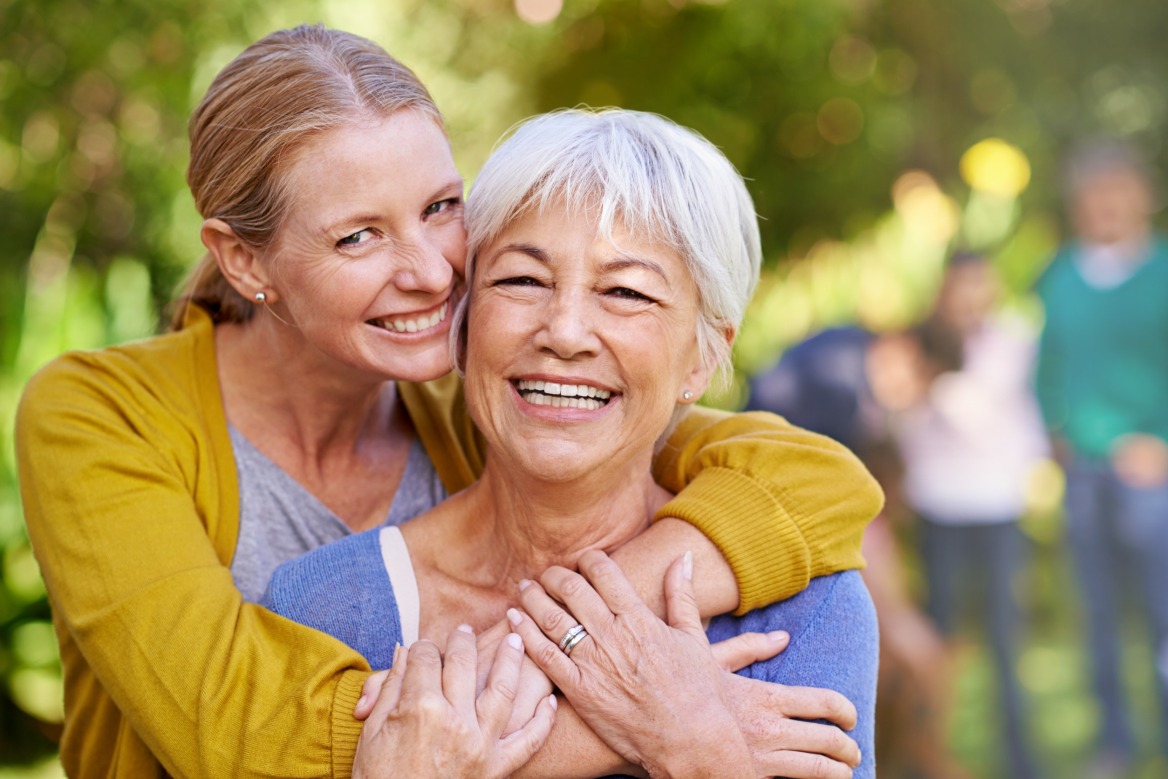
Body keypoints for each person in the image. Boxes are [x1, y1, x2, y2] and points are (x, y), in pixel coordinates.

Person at [14, 25, 882, 779]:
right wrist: (663, 722)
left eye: (440, 209)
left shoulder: (485, 409)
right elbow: (235, 734)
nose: (433, 271)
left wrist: (609, 609)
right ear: (244, 262)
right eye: (358, 234)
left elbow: (812, 481)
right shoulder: (102, 416)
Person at [263, 106, 878, 778]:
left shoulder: (809, 612)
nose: (565, 330)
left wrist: (702, 753)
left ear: (701, 358)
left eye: (626, 291)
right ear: (464, 323)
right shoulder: (320, 605)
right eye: (523, 280)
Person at [1035, 140, 1168, 775]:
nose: (1106, 204)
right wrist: (1055, 428)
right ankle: (1114, 739)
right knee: (1100, 613)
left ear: (1143, 197)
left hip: (1153, 476)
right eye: (1093, 193)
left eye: (1118, 189)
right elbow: (1046, 365)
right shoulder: (1060, 275)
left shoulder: (1163, 271)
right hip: (1083, 475)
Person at [896, 252, 1047, 779]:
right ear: (946, 289)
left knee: (1007, 638)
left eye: (980, 284)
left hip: (999, 505)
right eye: (961, 285)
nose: (970, 296)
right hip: (940, 508)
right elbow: (904, 419)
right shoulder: (920, 341)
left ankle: (1022, 759)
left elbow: (977, 411)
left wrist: (932, 381)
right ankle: (927, 753)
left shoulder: (1011, 339)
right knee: (937, 642)